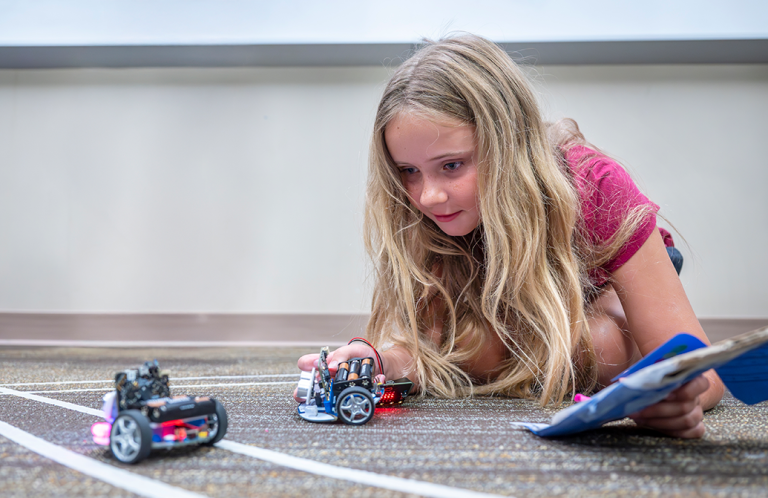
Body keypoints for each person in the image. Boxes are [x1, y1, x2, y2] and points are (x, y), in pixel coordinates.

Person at [295, 34, 723, 438]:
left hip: (595, 274)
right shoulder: (421, 211)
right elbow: (431, 347)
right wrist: (380, 361)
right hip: (504, 296)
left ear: (507, 147)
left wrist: (675, 396)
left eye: (452, 165)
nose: (429, 195)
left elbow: (704, 377)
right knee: (480, 346)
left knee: (599, 345)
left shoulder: (597, 189)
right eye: (409, 171)